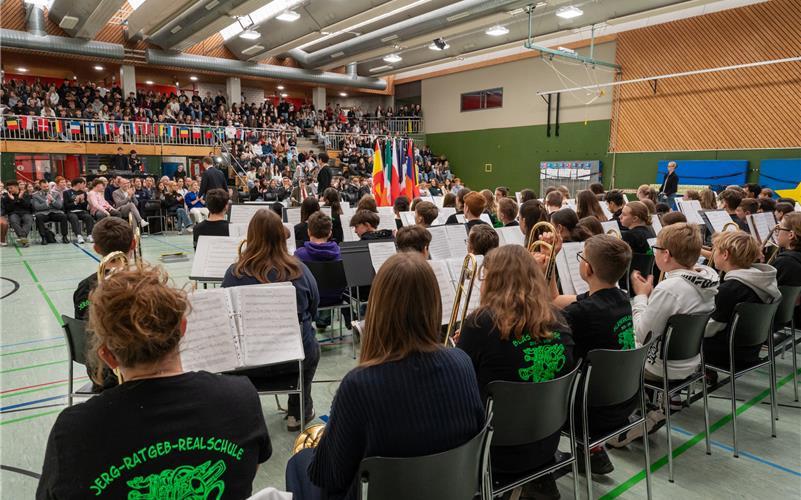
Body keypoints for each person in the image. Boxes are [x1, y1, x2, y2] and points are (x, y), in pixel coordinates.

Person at [39, 265, 271, 499]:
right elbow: (247, 471)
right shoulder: (240, 397)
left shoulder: (73, 431)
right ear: (182, 328)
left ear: (107, 356)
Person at [286, 252, 485, 500]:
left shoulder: (359, 385)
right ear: (435, 304)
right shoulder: (462, 363)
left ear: (378, 307)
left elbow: (329, 476)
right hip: (449, 491)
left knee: (297, 464)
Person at [457, 245, 574, 498]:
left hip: (495, 451)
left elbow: (460, 386)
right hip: (546, 440)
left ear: (493, 280)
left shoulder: (480, 323)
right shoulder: (558, 318)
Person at [608, 223, 719, 447]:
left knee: (610, 343)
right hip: (690, 361)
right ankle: (647, 405)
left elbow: (642, 333)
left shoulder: (670, 289)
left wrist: (641, 296)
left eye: (656, 249)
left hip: (660, 367)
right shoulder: (709, 279)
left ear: (666, 254)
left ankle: (628, 416)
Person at [222, 209, 319, 431]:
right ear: (281, 237)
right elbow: (313, 308)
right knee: (311, 343)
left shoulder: (234, 273)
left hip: (248, 363)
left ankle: (244, 413)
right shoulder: (299, 270)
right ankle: (299, 411)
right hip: (293, 360)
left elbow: (226, 316)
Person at [552, 235, 635, 474]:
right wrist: (551, 262)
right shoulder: (621, 298)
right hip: (622, 399)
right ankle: (593, 450)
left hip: (588, 411)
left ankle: (540, 464)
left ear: (587, 268)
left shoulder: (580, 313)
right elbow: (555, 299)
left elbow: (552, 310)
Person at [703, 231, 780, 368]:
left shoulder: (729, 290)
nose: (713, 254)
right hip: (752, 350)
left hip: (726, 354)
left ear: (725, 255)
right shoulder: (763, 281)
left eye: (715, 250)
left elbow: (711, 328)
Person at [294, 212, 350, 332]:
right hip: (336, 297)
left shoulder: (299, 255)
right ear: (330, 233)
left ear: (308, 232)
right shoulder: (342, 253)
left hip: (310, 301)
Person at [2, 180, 34, 247]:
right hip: (13, 213)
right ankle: (24, 239)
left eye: (11, 188)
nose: (9, 190)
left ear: (16, 187)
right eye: (8, 188)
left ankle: (22, 237)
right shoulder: (6, 197)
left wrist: (20, 198)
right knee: (13, 220)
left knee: (28, 219)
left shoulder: (25, 194)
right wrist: (12, 200)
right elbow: (8, 210)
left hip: (25, 213)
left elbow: (28, 206)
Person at [64, 177, 95, 244]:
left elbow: (85, 207)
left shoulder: (83, 193)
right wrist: (76, 202)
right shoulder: (66, 192)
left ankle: (89, 235)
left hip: (81, 211)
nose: (84, 185)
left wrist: (83, 201)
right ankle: (79, 236)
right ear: (78, 184)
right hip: (71, 211)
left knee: (89, 217)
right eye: (83, 184)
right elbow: (66, 206)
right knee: (74, 217)